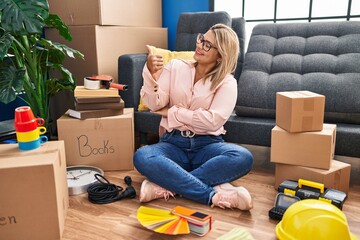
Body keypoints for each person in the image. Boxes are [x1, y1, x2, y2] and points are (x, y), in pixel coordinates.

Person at [133, 23, 254, 210]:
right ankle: (212, 194)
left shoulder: (227, 82)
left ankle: (164, 185)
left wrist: (175, 112)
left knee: (243, 157)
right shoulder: (175, 67)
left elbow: (213, 121)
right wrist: (148, 73)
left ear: (221, 55)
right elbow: (155, 104)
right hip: (173, 143)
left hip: (208, 145)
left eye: (208, 45)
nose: (199, 45)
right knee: (142, 156)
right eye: (201, 39)